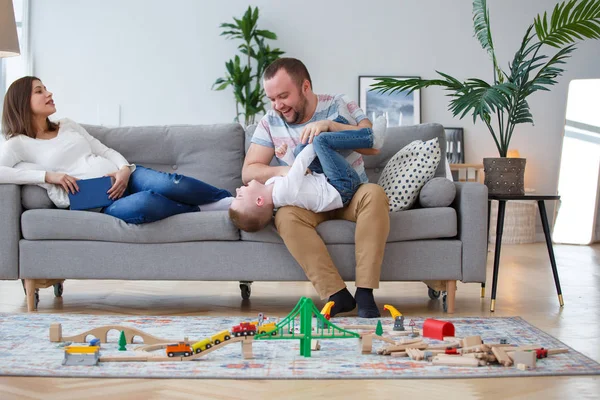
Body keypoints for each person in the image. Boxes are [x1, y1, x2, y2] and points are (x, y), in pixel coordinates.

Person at [242, 58, 390, 318]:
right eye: (272, 99)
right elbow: (249, 171)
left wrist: (332, 126)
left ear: (306, 87)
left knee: (375, 195)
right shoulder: (270, 121)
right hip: (310, 201)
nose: (278, 105)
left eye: (284, 96)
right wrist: (289, 170)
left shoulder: (337, 103)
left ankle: (365, 293)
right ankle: (336, 294)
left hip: (351, 193)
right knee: (285, 217)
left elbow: (373, 143)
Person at [0, 76, 233, 224]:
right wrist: (48, 176)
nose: (49, 93)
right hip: (103, 202)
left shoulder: (67, 125)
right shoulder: (18, 143)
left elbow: (105, 150)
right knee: (146, 203)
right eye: (39, 91)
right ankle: (202, 208)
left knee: (171, 184)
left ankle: (231, 200)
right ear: (22, 102)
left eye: (46, 88)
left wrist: (123, 169)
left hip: (127, 177)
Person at [229, 115, 386, 232]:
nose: (237, 190)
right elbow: (300, 165)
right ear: (259, 200)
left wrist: (285, 156)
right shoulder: (282, 193)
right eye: (240, 196)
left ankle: (341, 125)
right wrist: (315, 142)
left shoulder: (271, 187)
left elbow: (297, 171)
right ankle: (371, 138)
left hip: (326, 181)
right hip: (342, 187)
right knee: (319, 141)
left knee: (299, 149)